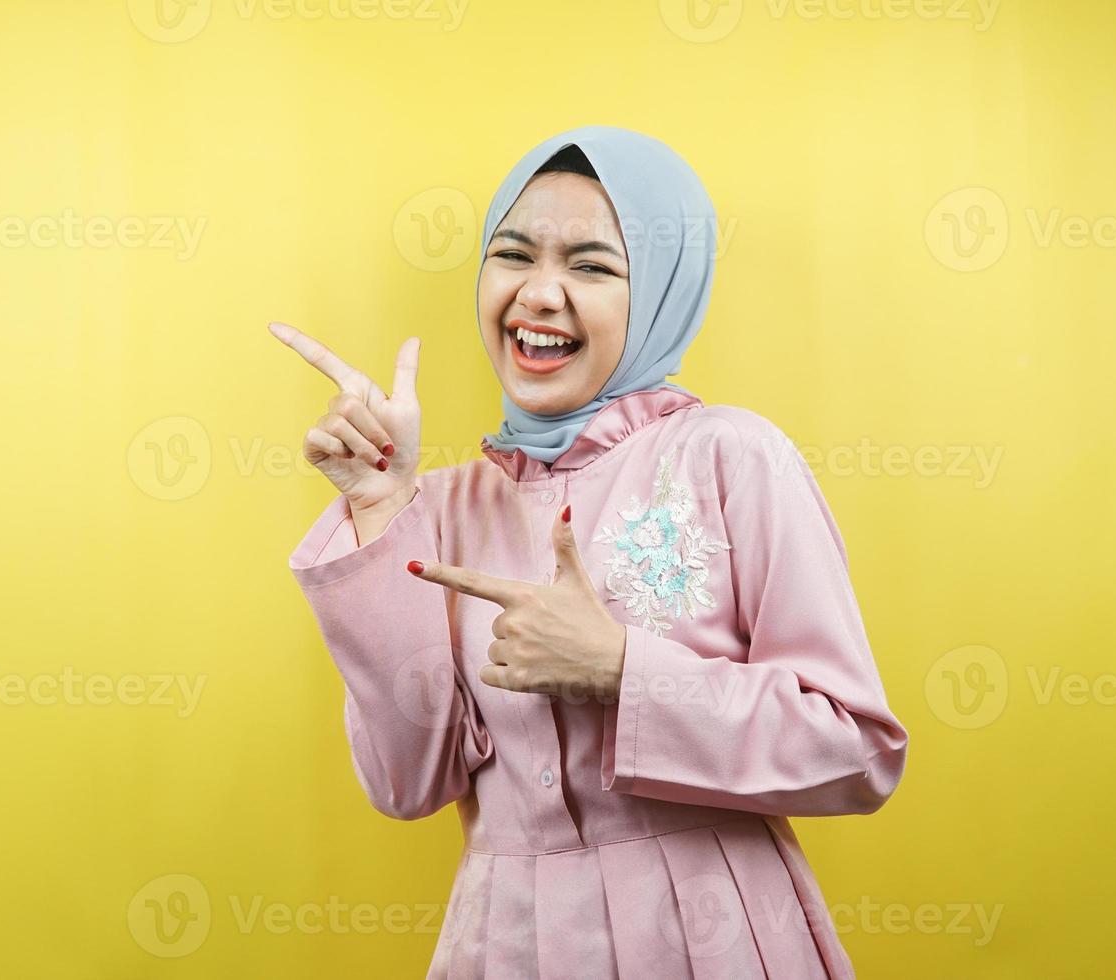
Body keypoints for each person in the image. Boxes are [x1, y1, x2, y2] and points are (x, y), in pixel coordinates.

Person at [271, 124, 908, 979]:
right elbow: (406, 784)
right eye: (514, 255)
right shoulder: (441, 506)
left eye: (592, 265)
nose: (540, 294)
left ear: (662, 293)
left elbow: (857, 753)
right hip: (506, 945)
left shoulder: (728, 456)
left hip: (707, 938)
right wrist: (382, 508)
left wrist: (622, 669)